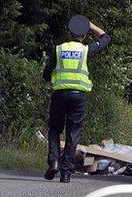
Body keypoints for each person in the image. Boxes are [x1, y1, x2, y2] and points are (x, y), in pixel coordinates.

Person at [42, 19, 111, 183]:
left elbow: (46, 75)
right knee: (73, 134)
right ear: (84, 34)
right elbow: (106, 38)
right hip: (78, 96)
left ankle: (54, 161)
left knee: (54, 129)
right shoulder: (86, 50)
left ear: (70, 32)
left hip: (59, 94)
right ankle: (66, 173)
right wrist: (90, 25)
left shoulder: (58, 50)